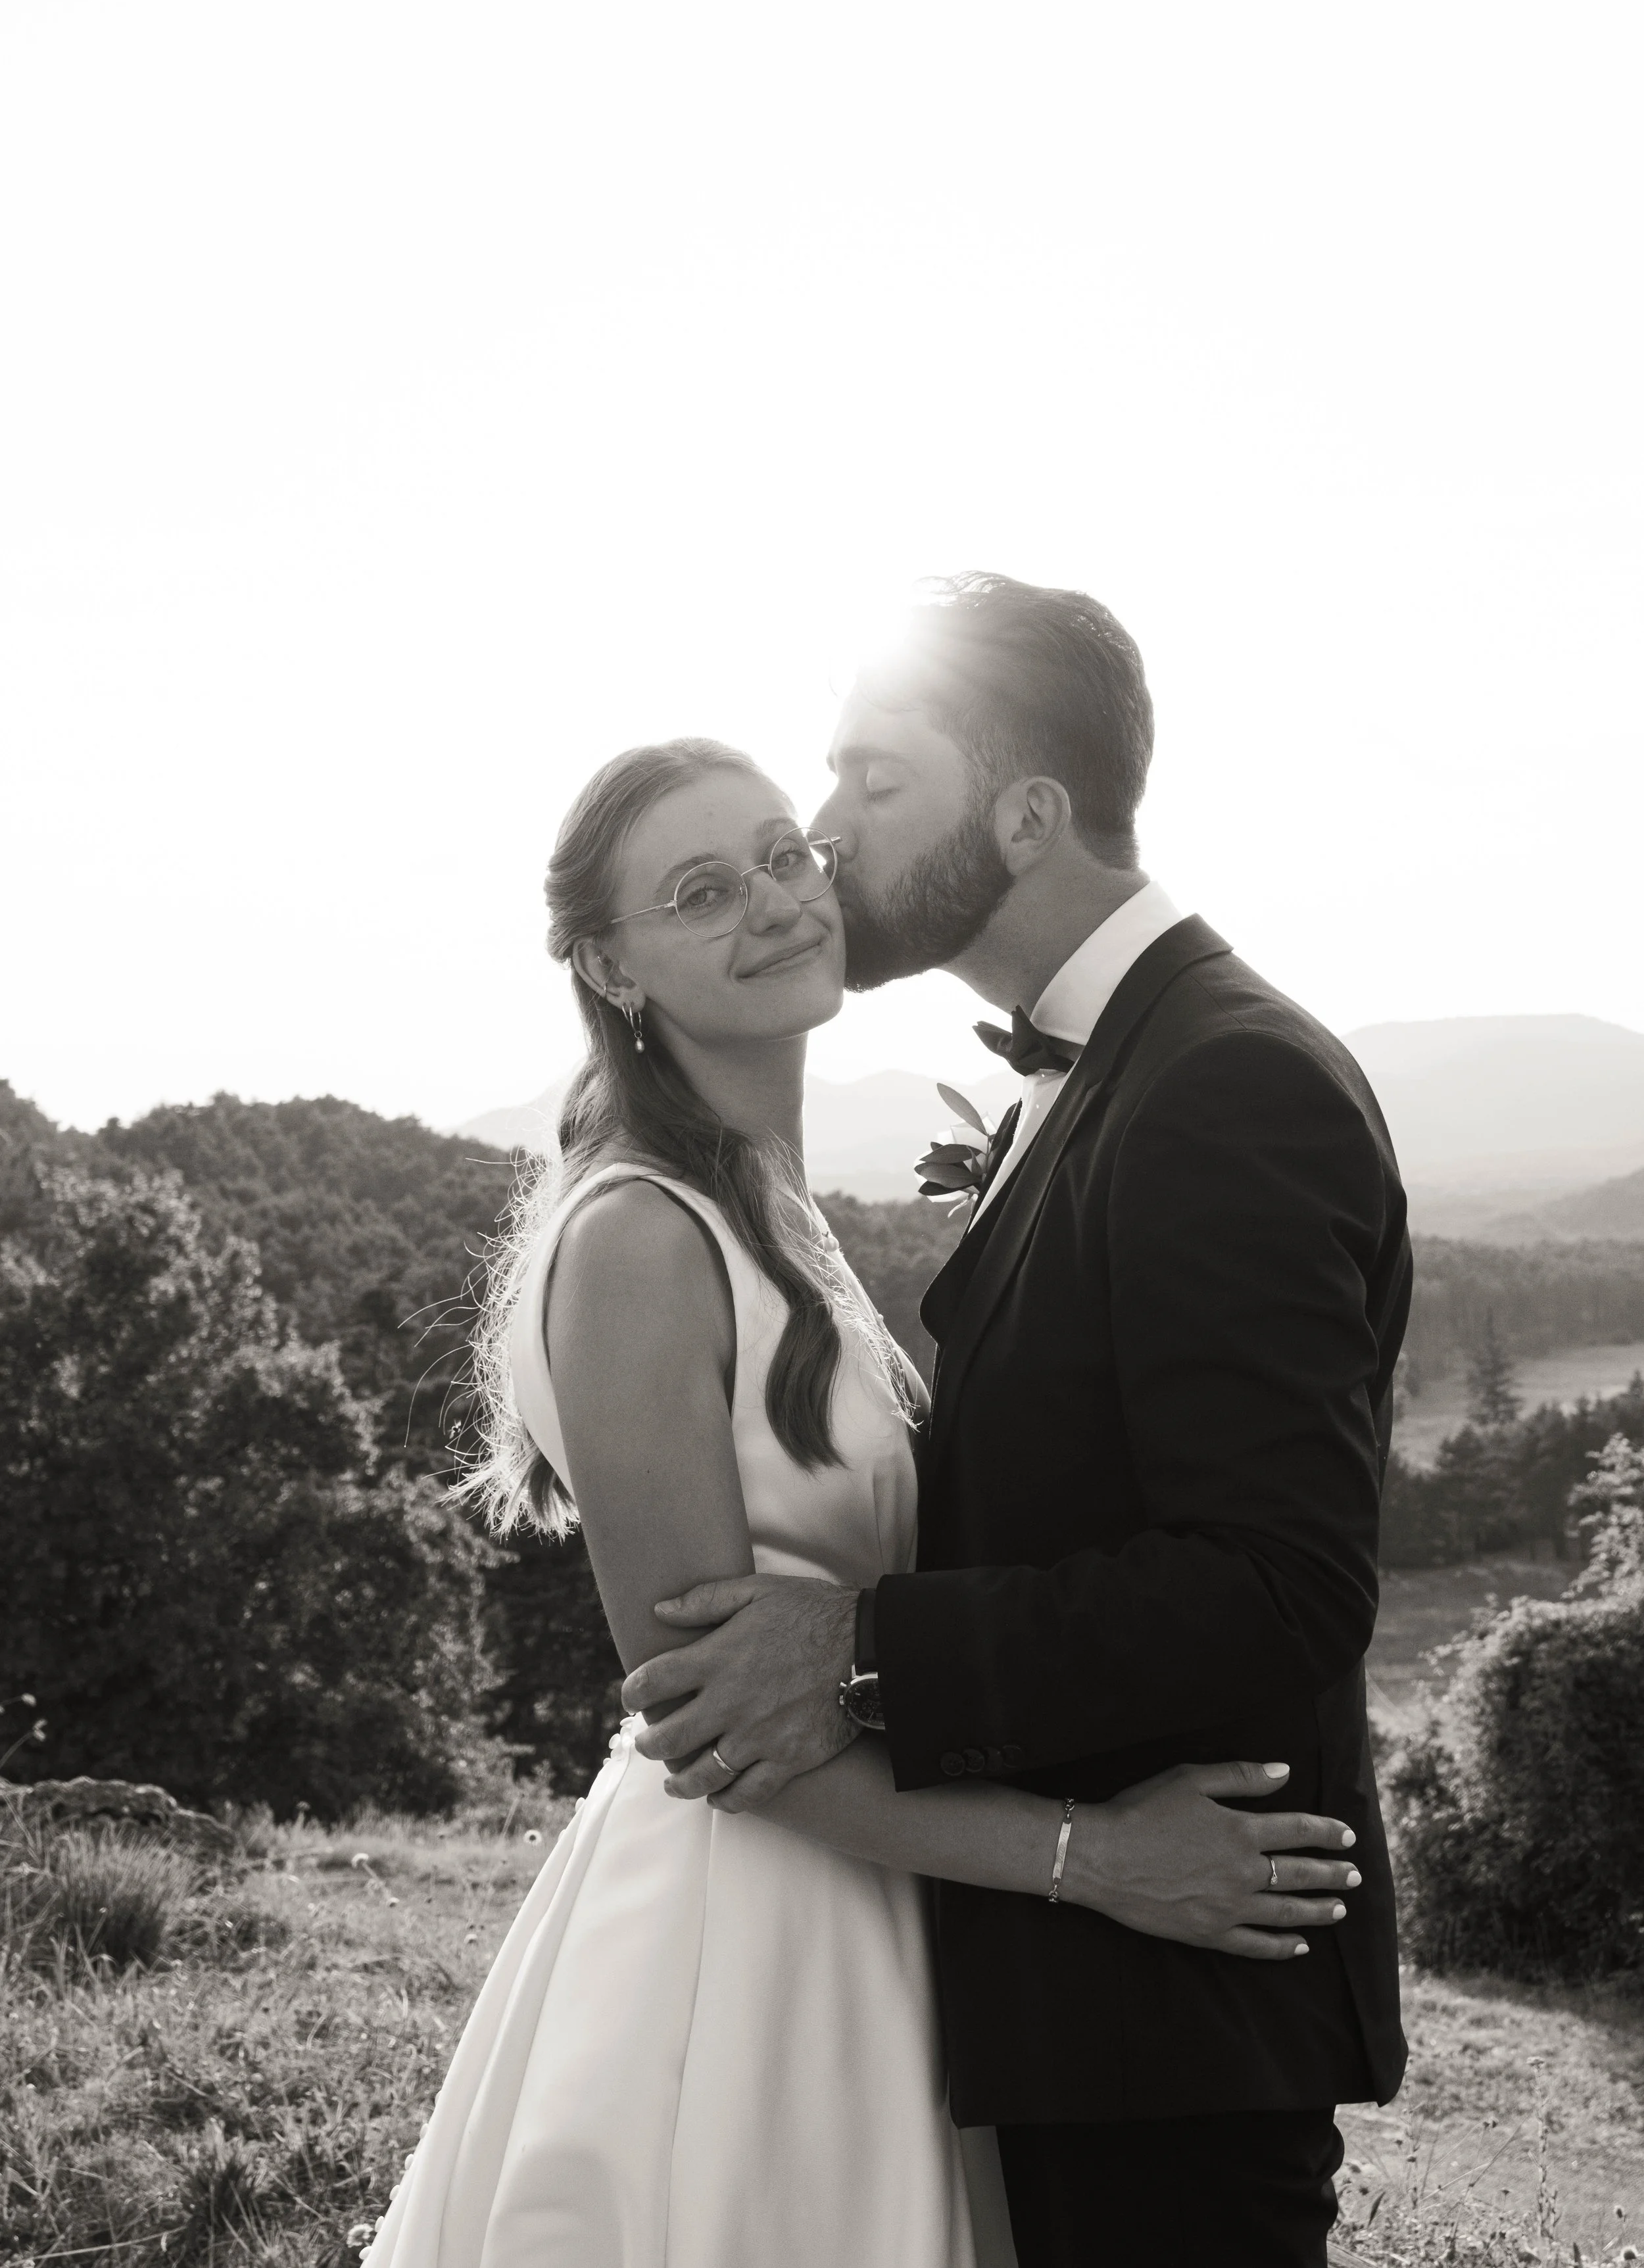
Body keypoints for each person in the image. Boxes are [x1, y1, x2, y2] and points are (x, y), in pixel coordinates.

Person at [360, 730, 1363, 2268]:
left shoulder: (765, 1202)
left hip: (892, 1896)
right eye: (700, 892)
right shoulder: (638, 1238)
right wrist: (1095, 1857)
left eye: (782, 854)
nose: (774, 900)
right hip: (745, 1936)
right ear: (610, 968)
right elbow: (708, 1725)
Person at [621, 577, 1413, 2268]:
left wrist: (857, 1648)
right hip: (1070, 1997)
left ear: (1028, 814)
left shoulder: (1223, 1083)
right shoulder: (1108, 1072)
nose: (825, 832)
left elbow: (1280, 1584)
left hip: (1178, 2004)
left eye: (873, 779)